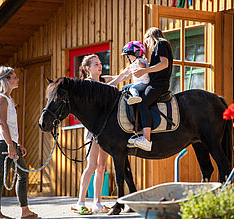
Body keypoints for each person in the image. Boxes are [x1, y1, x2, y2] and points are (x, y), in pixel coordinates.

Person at [72, 54, 131, 214]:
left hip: (105, 132)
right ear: (87, 68)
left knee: (101, 166)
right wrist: (120, 77)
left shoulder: (103, 80)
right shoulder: (87, 85)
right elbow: (109, 88)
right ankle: (80, 201)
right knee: (91, 166)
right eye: (96, 64)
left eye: (100, 63)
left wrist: (129, 71)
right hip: (92, 132)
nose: (100, 66)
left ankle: (97, 202)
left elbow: (118, 79)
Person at [0, 66, 38, 219]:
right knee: (0, 177)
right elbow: (2, 124)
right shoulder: (1, 99)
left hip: (10, 143)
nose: (17, 79)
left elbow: (9, 126)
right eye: (14, 77)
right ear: (5, 80)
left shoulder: (8, 99)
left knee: (23, 174)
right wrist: (11, 145)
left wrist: (18, 144)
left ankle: (25, 211)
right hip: (3, 144)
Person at [128, 27, 174, 152]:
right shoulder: (161, 46)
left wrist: (145, 70)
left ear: (150, 36)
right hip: (157, 83)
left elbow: (164, 64)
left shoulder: (161, 43)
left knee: (143, 103)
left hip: (158, 84)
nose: (147, 45)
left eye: (146, 41)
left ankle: (146, 139)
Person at [121, 41, 149, 105]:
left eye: (129, 55)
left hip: (144, 83)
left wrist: (138, 60)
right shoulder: (133, 63)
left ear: (136, 54)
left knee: (133, 88)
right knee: (123, 88)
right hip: (137, 83)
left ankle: (136, 97)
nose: (128, 57)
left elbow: (143, 67)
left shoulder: (141, 61)